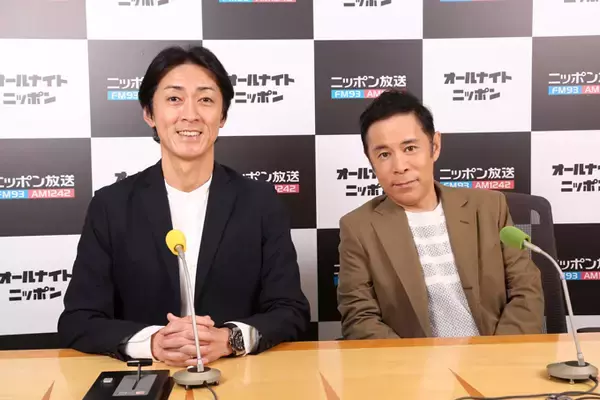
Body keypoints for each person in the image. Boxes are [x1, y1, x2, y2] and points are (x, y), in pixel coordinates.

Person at [58, 45, 311, 367]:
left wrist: (229, 339)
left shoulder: (260, 202)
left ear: (223, 116)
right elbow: (78, 320)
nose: (190, 114)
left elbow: (291, 311)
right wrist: (152, 343)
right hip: (147, 377)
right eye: (174, 99)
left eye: (205, 99)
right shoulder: (111, 206)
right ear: (149, 113)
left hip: (236, 375)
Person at [336, 89, 544, 340]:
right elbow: (359, 317)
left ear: (434, 146)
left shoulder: (489, 207)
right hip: (411, 362)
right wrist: (416, 362)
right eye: (384, 154)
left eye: (410, 148)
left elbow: (526, 291)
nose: (399, 166)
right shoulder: (358, 228)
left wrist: (493, 355)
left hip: (495, 355)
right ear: (370, 160)